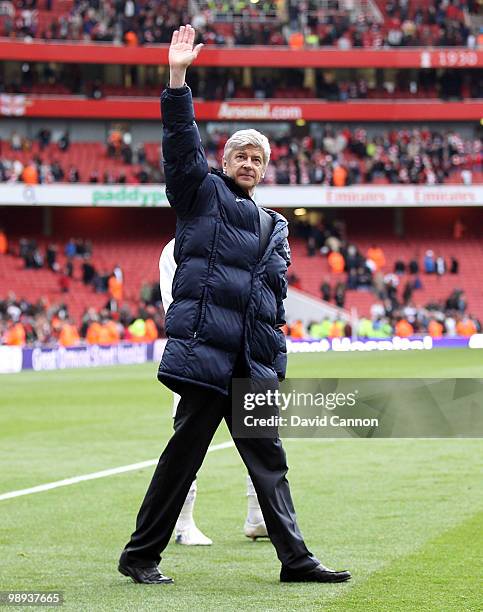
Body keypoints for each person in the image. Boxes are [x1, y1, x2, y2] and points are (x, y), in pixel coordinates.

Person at [118, 24, 351, 586]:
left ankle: (295, 560)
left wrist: (274, 369)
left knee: (269, 464)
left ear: (266, 169)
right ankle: (140, 556)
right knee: (183, 460)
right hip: (206, 359)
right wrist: (178, 80)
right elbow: (179, 145)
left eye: (257, 156)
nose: (248, 161)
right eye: (240, 154)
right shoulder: (201, 195)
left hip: (250, 364)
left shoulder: (275, 226)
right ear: (224, 162)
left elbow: (272, 307)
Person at [159, 238, 268, 545]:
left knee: (262, 437)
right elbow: (177, 308)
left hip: (245, 356)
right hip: (199, 358)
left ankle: (260, 515)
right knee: (189, 443)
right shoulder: (178, 247)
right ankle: (182, 524)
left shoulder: (249, 236)